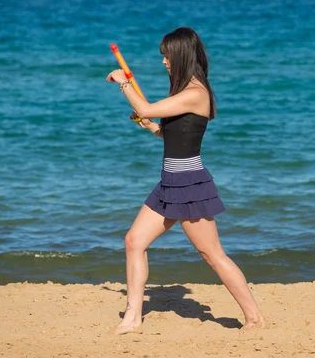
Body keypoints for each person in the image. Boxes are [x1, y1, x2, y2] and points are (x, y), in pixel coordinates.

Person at [106, 27, 266, 334]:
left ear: (180, 55)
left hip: (189, 184)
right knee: (133, 242)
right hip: (169, 182)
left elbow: (144, 106)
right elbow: (174, 136)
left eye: (167, 56)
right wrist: (152, 127)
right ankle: (133, 319)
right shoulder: (183, 93)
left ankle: (255, 317)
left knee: (213, 254)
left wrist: (124, 84)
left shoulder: (196, 93)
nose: (164, 61)